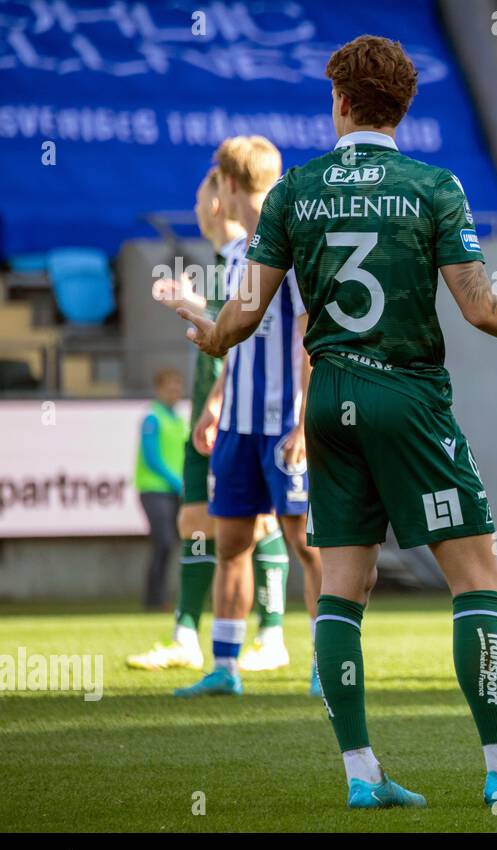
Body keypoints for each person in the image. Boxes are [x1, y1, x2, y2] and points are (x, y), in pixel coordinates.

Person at [173, 35, 497, 808]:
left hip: (329, 399)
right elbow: (480, 309)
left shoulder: (294, 192)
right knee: (478, 577)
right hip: (405, 397)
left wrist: (206, 333)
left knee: (344, 584)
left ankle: (362, 775)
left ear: (340, 101)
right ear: (403, 108)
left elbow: (243, 314)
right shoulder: (432, 185)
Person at [172, 136, 323, 697]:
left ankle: (325, 665)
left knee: (309, 546)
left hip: (285, 426)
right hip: (237, 425)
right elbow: (236, 342)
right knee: (231, 543)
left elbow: (309, 343)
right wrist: (215, 404)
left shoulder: (294, 249)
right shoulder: (237, 256)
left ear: (229, 185)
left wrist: (306, 424)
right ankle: (226, 666)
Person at [129, 168, 285, 672]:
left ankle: (272, 634)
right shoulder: (221, 258)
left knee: (259, 522)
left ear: (220, 200)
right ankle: (188, 635)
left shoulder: (252, 253)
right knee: (196, 520)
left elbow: (244, 325)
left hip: (245, 406)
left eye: (201, 195)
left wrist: (193, 304)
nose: (196, 205)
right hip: (215, 400)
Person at [135, 368, 187, 611]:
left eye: (178, 387)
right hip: (154, 490)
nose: (175, 392)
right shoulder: (152, 418)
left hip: (175, 492)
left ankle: (168, 597)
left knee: (176, 543)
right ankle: (153, 600)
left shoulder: (178, 420)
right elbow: (152, 459)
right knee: (163, 542)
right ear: (159, 389)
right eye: (170, 387)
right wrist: (178, 483)